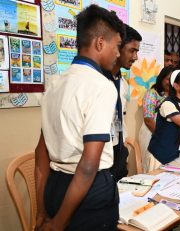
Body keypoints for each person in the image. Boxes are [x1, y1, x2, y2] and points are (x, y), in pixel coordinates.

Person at [34, 5, 124, 230]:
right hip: (89, 193)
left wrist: (42, 212)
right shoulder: (102, 86)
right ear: (100, 43)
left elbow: (41, 153)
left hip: (55, 187)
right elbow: (87, 165)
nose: (118, 54)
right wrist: (58, 225)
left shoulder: (55, 84)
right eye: (117, 46)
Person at [103, 24, 142, 181]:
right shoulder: (98, 81)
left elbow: (119, 116)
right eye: (132, 51)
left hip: (118, 148)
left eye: (137, 52)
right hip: (101, 151)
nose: (135, 57)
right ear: (117, 48)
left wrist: (123, 144)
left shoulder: (123, 83)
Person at [139, 66, 173, 172]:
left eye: (173, 79)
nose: (170, 82)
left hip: (168, 138)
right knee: (152, 167)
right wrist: (162, 138)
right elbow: (148, 119)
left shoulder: (175, 96)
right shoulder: (152, 93)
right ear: (161, 78)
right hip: (151, 133)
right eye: (168, 78)